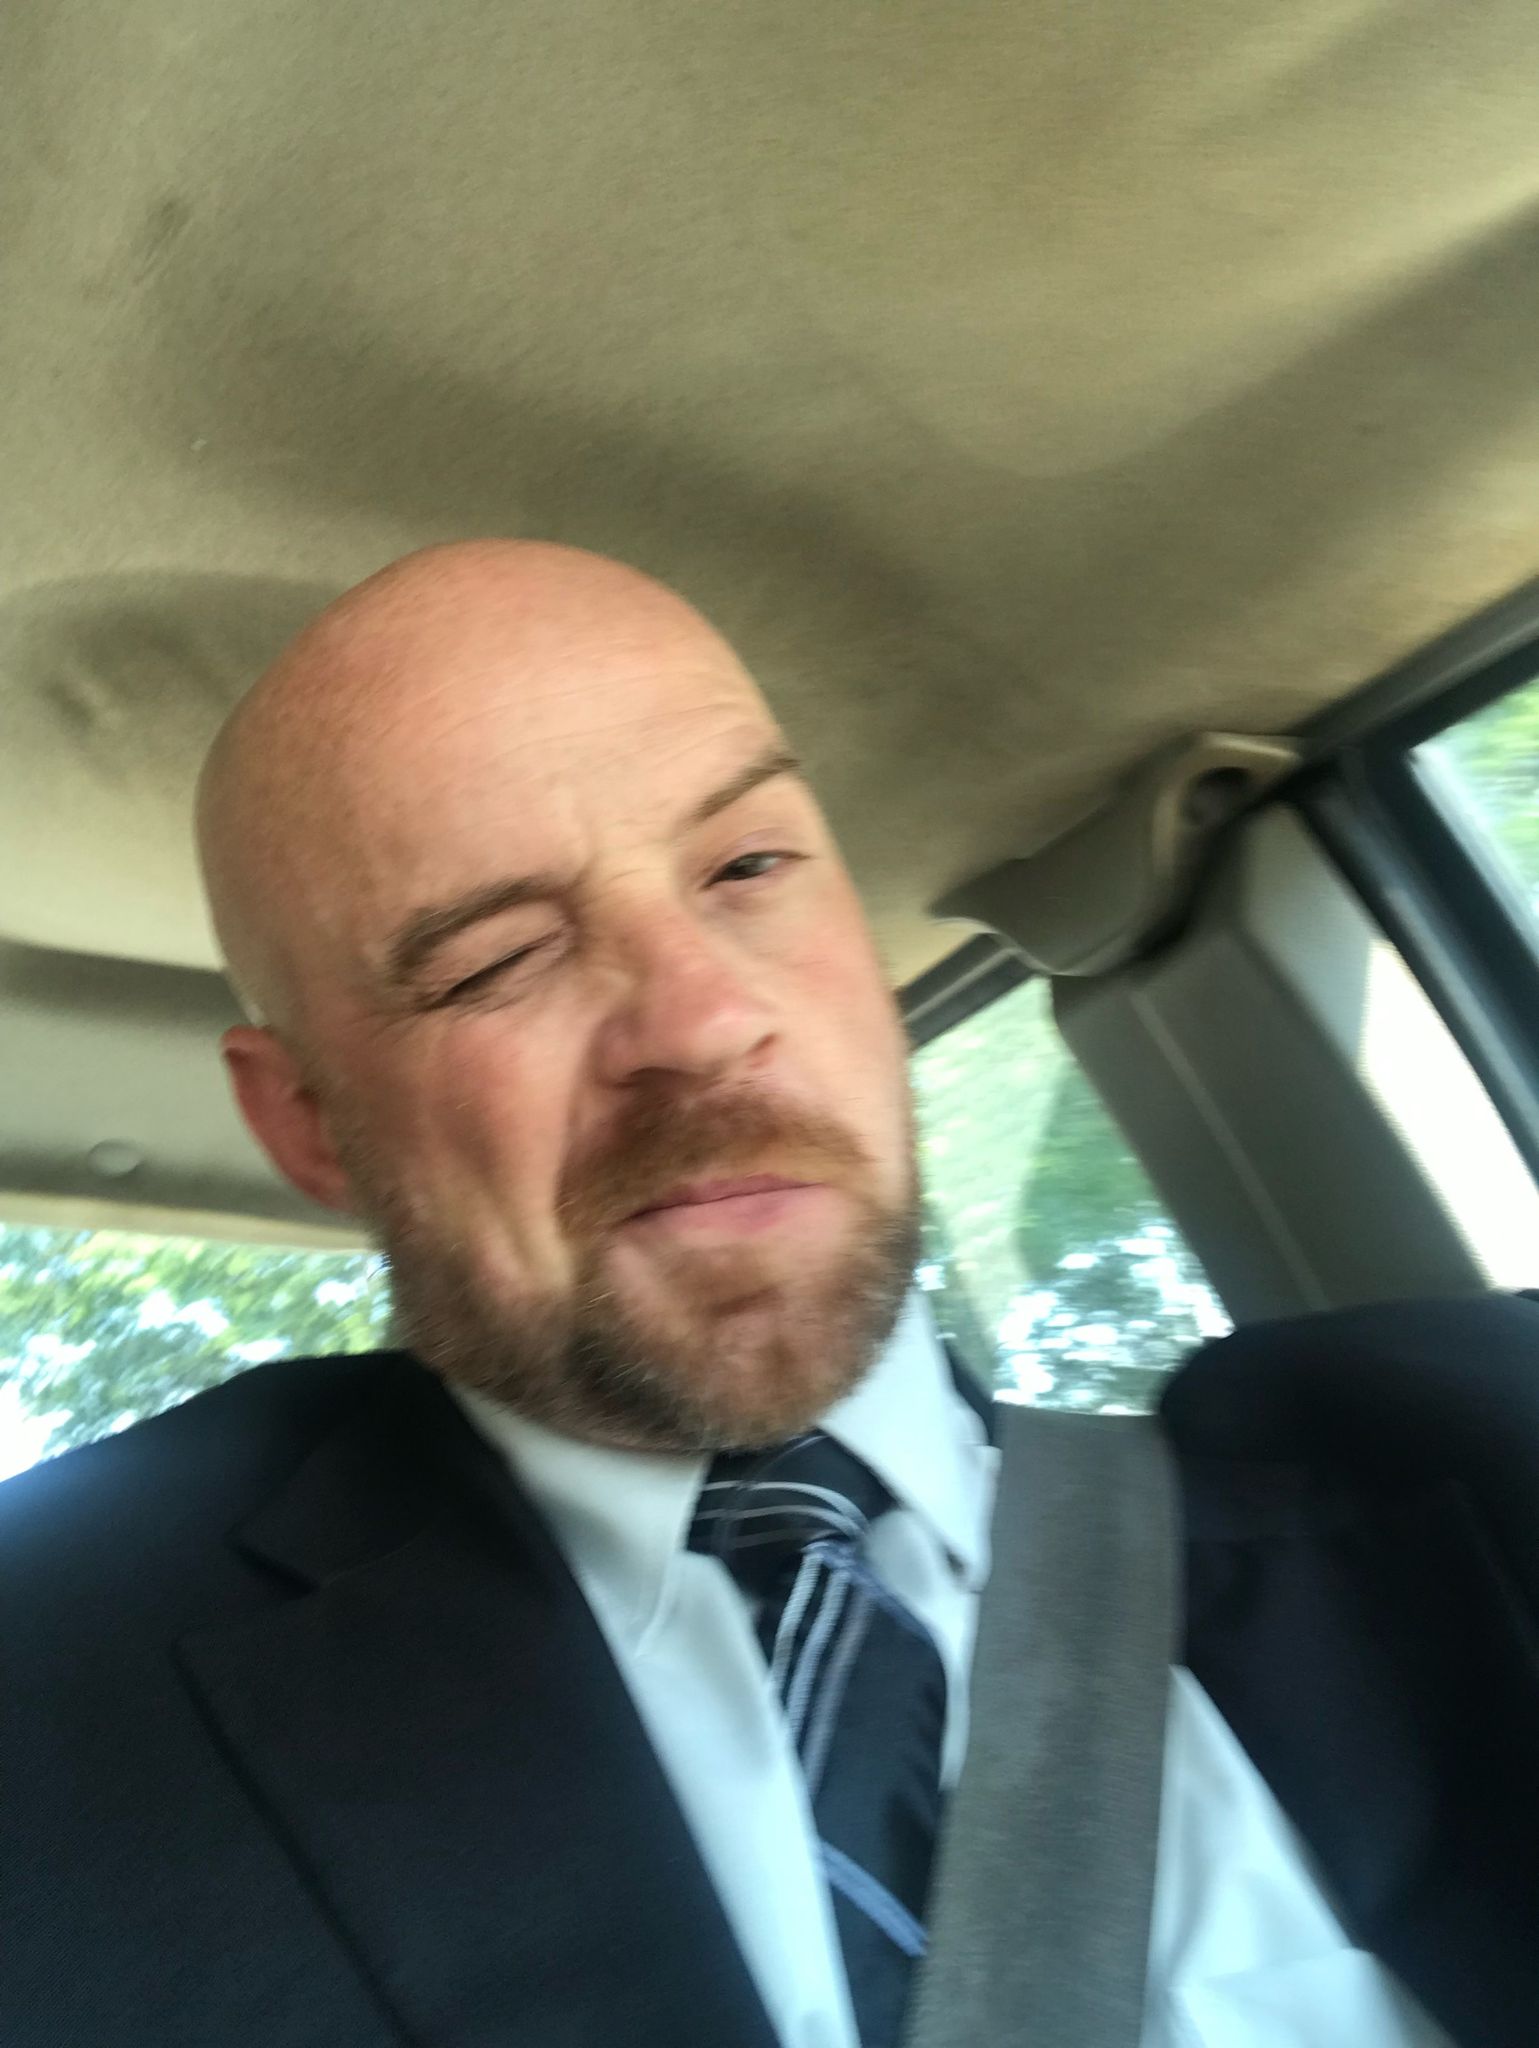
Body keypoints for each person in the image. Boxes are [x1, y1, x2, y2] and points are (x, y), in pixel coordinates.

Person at [2, 541, 1531, 2048]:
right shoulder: (58, 1700)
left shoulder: (1453, 1444)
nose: (704, 1019)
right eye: (497, 960)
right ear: (310, 1125)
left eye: (748, 867)